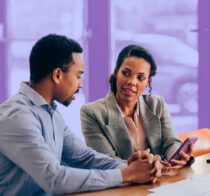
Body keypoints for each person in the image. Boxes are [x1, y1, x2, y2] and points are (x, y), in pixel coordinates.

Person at [0, 35, 165, 195]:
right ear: (57, 75)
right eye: (78, 75)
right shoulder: (16, 116)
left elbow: (85, 158)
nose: (80, 84)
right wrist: (126, 175)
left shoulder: (49, 112)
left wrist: (133, 166)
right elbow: (55, 179)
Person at [81, 44, 193, 167]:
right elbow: (106, 161)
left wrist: (177, 156)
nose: (131, 82)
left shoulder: (157, 105)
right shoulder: (92, 112)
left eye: (140, 77)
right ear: (117, 72)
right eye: (126, 73)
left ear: (147, 82)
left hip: (160, 178)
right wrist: (145, 167)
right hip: (123, 183)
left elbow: (171, 143)